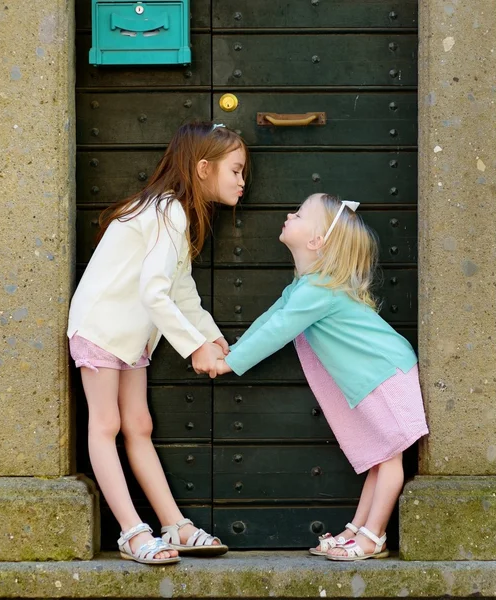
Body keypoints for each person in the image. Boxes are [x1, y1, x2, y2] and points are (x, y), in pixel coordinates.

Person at [67, 122, 248, 565]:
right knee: (106, 425)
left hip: (131, 335)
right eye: (237, 171)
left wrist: (210, 335)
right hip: (103, 327)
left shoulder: (174, 212)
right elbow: (154, 292)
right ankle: (132, 533)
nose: (243, 182)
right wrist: (194, 347)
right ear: (204, 168)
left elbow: (179, 287)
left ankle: (177, 526)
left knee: (139, 426)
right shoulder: (169, 210)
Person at [214, 193, 428, 561]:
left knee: (390, 459)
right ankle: (357, 530)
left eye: (297, 214)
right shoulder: (307, 287)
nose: (288, 214)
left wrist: (229, 363)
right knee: (381, 457)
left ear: (316, 241)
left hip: (385, 373)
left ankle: (373, 536)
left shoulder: (318, 291)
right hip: (373, 375)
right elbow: (272, 319)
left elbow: (278, 329)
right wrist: (232, 352)